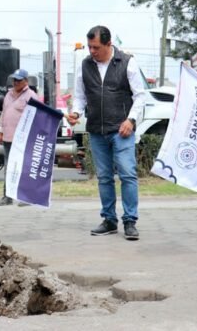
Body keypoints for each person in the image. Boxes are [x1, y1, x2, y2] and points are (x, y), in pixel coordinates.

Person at [67, 26, 145, 241]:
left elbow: (140, 96)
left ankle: (130, 221)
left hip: (122, 130)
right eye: (90, 47)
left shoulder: (127, 62)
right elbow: (81, 97)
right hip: (96, 130)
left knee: (128, 174)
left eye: (96, 47)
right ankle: (109, 220)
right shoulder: (85, 65)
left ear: (109, 44)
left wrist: (131, 119)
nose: (92, 51)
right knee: (104, 177)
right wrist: (75, 112)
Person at [0, 68, 37, 206]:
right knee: (9, 167)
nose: (16, 82)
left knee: (23, 167)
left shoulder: (31, 96)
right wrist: (0, 131)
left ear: (26, 81)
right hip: (8, 137)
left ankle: (26, 197)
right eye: (14, 80)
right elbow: (4, 113)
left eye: (19, 80)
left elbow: (35, 117)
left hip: (23, 139)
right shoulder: (8, 95)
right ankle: (7, 196)